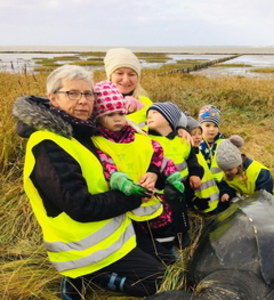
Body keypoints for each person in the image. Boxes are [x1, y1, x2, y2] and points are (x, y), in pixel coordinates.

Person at [13, 65, 165, 299]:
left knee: (165, 258)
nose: (83, 101)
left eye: (88, 94)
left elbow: (127, 138)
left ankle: (87, 275)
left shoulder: (81, 131)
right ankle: (90, 277)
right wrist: (134, 197)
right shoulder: (48, 145)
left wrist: (172, 137)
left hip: (116, 234)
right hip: (83, 249)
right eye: (72, 93)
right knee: (157, 280)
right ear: (53, 98)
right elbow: (81, 207)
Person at [91, 80, 185, 260]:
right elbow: (106, 164)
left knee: (163, 230)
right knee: (136, 239)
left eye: (121, 113)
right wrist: (119, 180)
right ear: (99, 117)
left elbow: (158, 154)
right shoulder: (99, 142)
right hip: (126, 204)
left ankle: (169, 255)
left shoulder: (139, 137)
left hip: (153, 198)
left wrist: (173, 176)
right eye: (110, 114)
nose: (118, 118)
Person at [146, 102, 200, 248]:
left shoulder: (183, 140)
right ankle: (164, 241)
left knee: (181, 212)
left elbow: (191, 160)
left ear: (169, 119)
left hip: (182, 186)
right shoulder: (146, 140)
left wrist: (195, 174)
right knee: (163, 217)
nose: (149, 116)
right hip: (160, 189)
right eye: (148, 115)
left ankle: (183, 234)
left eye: (155, 113)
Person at [216, 135, 274, 211]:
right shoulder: (228, 173)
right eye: (224, 170)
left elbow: (265, 195)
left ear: (238, 164)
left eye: (229, 169)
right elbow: (226, 186)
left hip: (263, 205)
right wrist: (226, 193)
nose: (226, 173)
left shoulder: (261, 172)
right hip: (244, 205)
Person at [104, 48, 151, 128]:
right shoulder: (96, 103)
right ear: (110, 76)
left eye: (131, 74)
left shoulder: (146, 102)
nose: (125, 80)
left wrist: (178, 128)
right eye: (119, 73)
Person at [185, 116, 222, 214]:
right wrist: (193, 200)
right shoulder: (186, 157)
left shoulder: (197, 151)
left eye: (199, 133)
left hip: (213, 199)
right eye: (193, 134)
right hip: (200, 204)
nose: (198, 137)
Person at [198, 104, 225, 182]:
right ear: (200, 126)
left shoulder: (223, 143)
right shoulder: (196, 144)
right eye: (207, 125)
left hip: (221, 182)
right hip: (202, 183)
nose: (212, 129)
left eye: (215, 126)